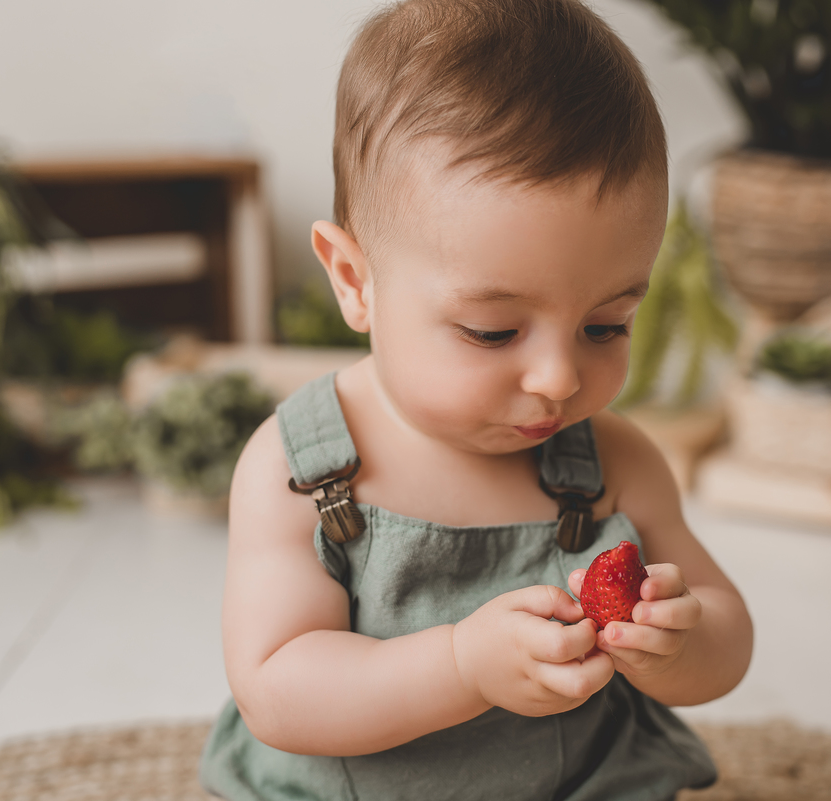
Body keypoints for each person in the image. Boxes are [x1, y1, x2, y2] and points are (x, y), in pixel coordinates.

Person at [198, 0, 753, 798]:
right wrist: (462, 664)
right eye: (493, 332)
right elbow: (278, 690)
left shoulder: (614, 464)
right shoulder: (306, 470)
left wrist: (678, 643)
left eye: (607, 324)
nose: (559, 379)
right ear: (355, 282)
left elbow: (727, 635)